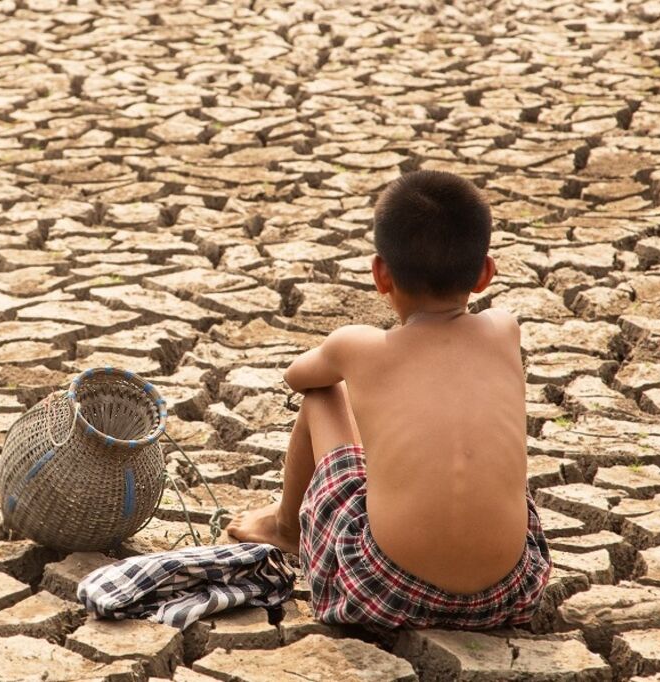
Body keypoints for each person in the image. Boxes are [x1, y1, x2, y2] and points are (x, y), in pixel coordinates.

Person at [226, 170, 551, 629]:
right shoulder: (504, 330)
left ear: (381, 273)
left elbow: (298, 376)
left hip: (381, 590)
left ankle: (284, 528)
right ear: (485, 273)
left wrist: (351, 363)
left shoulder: (358, 347)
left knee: (322, 394)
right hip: (508, 594)